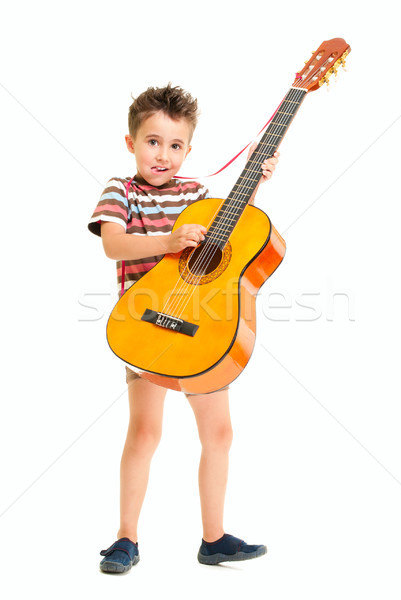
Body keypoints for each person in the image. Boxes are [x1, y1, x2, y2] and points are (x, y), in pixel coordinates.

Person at [88, 83, 279, 573]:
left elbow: (228, 227)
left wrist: (254, 180)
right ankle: (125, 538)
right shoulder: (121, 190)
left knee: (220, 435)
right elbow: (113, 244)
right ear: (131, 143)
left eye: (176, 146)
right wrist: (169, 240)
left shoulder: (195, 192)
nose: (164, 155)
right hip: (148, 328)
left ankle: (213, 539)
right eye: (153, 142)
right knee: (145, 433)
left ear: (188, 150)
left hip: (203, 333)